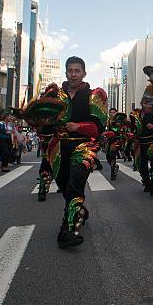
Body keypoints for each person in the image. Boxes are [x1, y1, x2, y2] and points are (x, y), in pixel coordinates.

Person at [45, 56, 107, 248]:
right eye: (70, 71)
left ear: (84, 73)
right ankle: (79, 209)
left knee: (75, 183)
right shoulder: (54, 95)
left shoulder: (94, 95)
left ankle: (68, 229)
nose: (73, 74)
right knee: (64, 185)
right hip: (59, 147)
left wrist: (77, 126)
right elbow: (45, 124)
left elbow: (98, 128)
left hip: (84, 147)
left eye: (77, 71)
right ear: (65, 72)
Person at [130, 98, 153, 196]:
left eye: (150, 104)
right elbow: (133, 129)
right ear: (142, 104)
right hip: (140, 143)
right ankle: (148, 184)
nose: (148, 106)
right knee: (141, 166)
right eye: (146, 103)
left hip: (152, 142)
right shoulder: (134, 115)